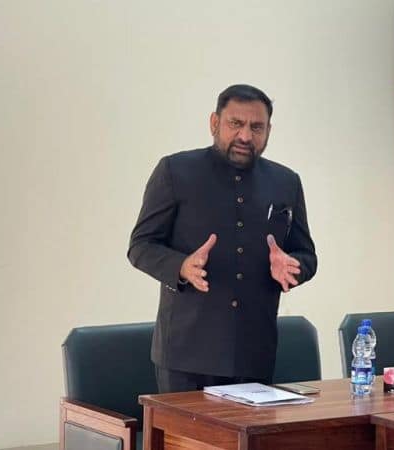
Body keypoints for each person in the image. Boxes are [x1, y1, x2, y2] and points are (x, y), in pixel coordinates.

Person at [128, 84, 317, 393]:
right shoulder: (175, 171)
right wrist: (181, 266)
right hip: (185, 356)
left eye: (256, 127)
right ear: (214, 123)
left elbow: (307, 255)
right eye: (235, 124)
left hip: (254, 354)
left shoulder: (286, 182)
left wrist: (293, 266)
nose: (245, 136)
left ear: (269, 130)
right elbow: (140, 246)